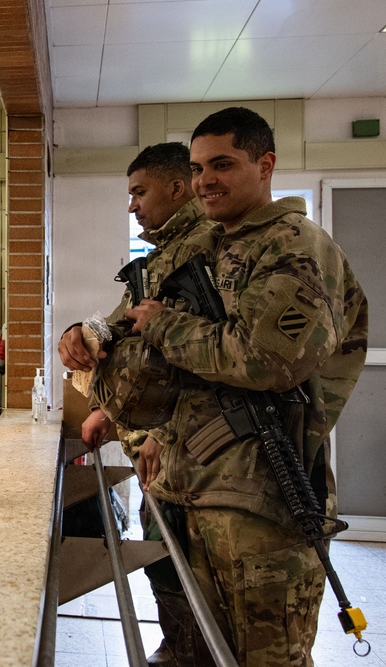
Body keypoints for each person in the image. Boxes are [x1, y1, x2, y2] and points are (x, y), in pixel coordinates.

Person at [126, 107, 368, 666]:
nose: (204, 180)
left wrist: (163, 323)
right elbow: (191, 366)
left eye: (223, 164)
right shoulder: (210, 246)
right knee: (199, 649)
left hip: (263, 500)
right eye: (197, 166)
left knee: (266, 657)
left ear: (266, 165)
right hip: (196, 482)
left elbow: (264, 361)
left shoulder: (297, 248)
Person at [59, 142, 217, 666]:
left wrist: (164, 433)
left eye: (139, 192)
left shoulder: (213, 249)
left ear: (176, 188)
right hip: (160, 453)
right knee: (165, 561)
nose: (132, 206)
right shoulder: (159, 261)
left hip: (199, 456)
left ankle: (190, 652)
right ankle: (178, 650)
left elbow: (218, 362)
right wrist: (83, 332)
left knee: (198, 575)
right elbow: (124, 329)